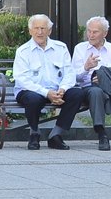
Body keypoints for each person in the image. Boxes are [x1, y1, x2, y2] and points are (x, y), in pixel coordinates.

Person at [13, 14, 84, 151]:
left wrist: (62, 89)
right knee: (33, 99)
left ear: (49, 31)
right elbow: (22, 79)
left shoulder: (61, 48)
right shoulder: (23, 51)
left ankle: (55, 135)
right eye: (36, 28)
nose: (40, 32)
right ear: (30, 31)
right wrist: (46, 93)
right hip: (32, 91)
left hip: (57, 90)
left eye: (43, 28)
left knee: (77, 94)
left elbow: (69, 73)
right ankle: (34, 133)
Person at [71, 16, 111, 151]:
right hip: (90, 88)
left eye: (95, 32)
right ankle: (102, 135)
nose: (90, 35)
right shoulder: (80, 49)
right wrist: (86, 68)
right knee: (96, 92)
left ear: (105, 33)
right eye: (89, 31)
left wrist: (105, 78)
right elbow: (73, 77)